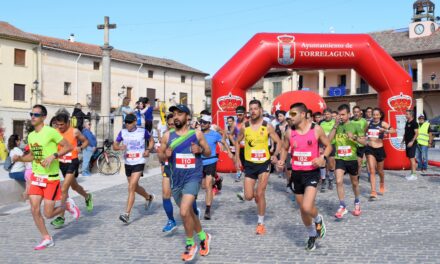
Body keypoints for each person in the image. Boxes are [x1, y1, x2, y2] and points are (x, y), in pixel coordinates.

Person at [12, 104, 75, 250]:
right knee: (34, 209)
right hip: (36, 176)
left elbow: (68, 147)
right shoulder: (32, 136)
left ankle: (67, 205)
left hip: (50, 178)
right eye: (31, 114)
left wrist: (53, 156)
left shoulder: (51, 132)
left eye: (36, 115)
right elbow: (33, 156)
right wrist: (20, 159)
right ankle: (47, 238)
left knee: (48, 214)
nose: (32, 117)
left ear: (44, 117)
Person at [158, 104, 212, 261]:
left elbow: (208, 151)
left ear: (187, 117)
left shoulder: (196, 134)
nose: (176, 117)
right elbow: (160, 156)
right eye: (174, 114)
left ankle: (190, 244)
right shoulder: (167, 136)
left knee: (183, 211)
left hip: (193, 176)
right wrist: (165, 155)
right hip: (176, 179)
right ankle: (203, 237)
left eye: (179, 114)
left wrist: (200, 151)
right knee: (188, 212)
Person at [284, 103, 330, 251]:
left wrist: (323, 157)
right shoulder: (289, 132)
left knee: (306, 206)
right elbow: (285, 148)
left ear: (303, 114)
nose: (290, 118)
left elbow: (329, 146)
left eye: (293, 114)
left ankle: (318, 219)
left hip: (311, 172)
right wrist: (280, 160)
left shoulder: (315, 129)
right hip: (296, 173)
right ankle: (311, 235)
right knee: (303, 210)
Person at [235, 99, 284, 235]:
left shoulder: (267, 126)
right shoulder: (245, 126)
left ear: (261, 110)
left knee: (260, 193)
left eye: (255, 108)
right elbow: (237, 141)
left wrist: (274, 155)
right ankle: (256, 197)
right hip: (250, 164)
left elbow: (278, 142)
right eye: (251, 109)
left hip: (264, 163)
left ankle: (260, 223)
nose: (253, 111)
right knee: (249, 196)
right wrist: (237, 158)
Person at [50, 113, 93, 229]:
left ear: (68, 123)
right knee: (74, 186)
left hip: (72, 162)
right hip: (61, 163)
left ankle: (61, 217)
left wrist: (80, 147)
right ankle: (87, 196)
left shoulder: (74, 131)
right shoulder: (55, 132)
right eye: (58, 125)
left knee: (64, 188)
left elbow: (86, 141)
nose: (60, 127)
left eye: (62, 125)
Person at [113, 113, 155, 223]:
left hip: (139, 161)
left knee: (131, 187)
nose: (127, 124)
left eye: (130, 122)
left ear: (135, 122)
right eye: (126, 122)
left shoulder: (142, 131)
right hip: (128, 162)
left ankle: (126, 214)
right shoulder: (123, 132)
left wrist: (148, 150)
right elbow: (114, 145)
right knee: (134, 187)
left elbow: (151, 141)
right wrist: (119, 147)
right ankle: (148, 197)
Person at [328, 104, 366, 219]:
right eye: (339, 115)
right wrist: (335, 126)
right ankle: (342, 205)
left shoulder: (355, 126)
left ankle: (357, 202)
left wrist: (354, 137)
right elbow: (328, 140)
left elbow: (364, 142)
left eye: (343, 114)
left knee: (354, 183)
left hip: (352, 159)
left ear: (349, 114)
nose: (341, 117)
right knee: (339, 181)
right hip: (339, 158)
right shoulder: (337, 126)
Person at [199, 113, 232, 220]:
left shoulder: (214, 134)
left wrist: (229, 151)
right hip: (200, 161)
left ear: (209, 124)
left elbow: (223, 141)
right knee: (203, 186)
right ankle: (217, 180)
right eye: (201, 122)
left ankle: (208, 209)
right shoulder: (197, 133)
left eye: (204, 122)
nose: (202, 124)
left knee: (208, 185)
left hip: (211, 160)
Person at [365, 108, 395, 200]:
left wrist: (385, 131)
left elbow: (394, 130)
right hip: (370, 148)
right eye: (374, 114)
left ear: (380, 115)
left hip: (379, 149)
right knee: (372, 170)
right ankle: (373, 191)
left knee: (380, 171)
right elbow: (364, 132)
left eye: (377, 115)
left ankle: (382, 182)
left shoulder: (383, 124)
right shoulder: (368, 123)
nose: (375, 116)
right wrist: (364, 138)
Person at [319, 109, 336, 191]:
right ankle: (323, 181)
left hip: (332, 145)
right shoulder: (321, 123)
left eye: (328, 114)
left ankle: (331, 180)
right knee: (322, 163)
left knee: (331, 164)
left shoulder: (334, 122)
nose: (326, 115)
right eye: (325, 114)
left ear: (331, 115)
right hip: (323, 145)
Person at [274, 111, 290, 192]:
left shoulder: (289, 125)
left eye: (281, 116)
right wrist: (273, 147)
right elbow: (274, 139)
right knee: (282, 167)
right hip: (280, 148)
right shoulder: (276, 126)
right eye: (278, 116)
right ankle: (288, 183)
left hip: (289, 148)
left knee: (288, 167)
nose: (279, 118)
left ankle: (290, 183)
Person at [351, 106, 368, 177]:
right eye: (354, 112)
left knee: (359, 162)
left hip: (361, 144)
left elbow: (366, 130)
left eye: (357, 112)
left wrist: (363, 137)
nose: (356, 113)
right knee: (356, 162)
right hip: (353, 144)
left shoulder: (364, 121)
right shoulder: (351, 122)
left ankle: (357, 176)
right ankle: (355, 176)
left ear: (360, 112)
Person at [402, 110, 419, 180]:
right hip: (407, 142)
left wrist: (412, 141)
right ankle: (412, 173)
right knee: (410, 158)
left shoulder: (414, 123)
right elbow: (406, 133)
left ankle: (414, 175)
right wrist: (403, 140)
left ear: (411, 115)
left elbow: (417, 133)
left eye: (407, 114)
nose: (405, 115)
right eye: (406, 114)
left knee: (412, 159)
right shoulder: (407, 122)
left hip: (412, 143)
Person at [234, 106, 247, 182]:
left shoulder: (249, 122)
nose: (238, 117)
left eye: (240, 115)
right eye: (237, 115)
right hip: (239, 146)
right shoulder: (235, 123)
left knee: (248, 165)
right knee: (238, 161)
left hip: (248, 147)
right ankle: (239, 173)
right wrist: (234, 142)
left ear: (245, 114)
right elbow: (229, 133)